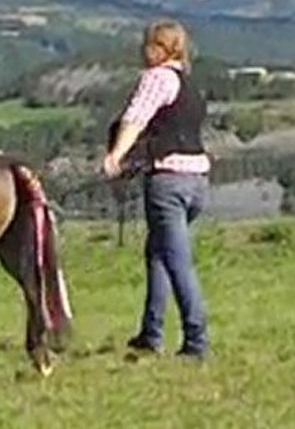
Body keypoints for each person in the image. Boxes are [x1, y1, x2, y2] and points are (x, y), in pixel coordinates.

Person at [102, 18, 211, 360]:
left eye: (147, 45)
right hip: (198, 180)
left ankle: (196, 341)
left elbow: (136, 117)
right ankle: (151, 333)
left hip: (168, 181)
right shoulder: (189, 84)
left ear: (158, 48)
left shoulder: (157, 78)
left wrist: (116, 155)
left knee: (178, 262)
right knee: (159, 254)